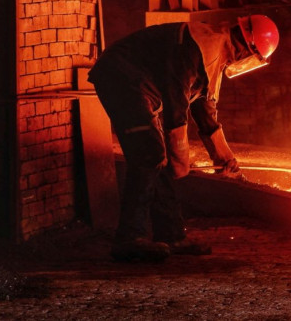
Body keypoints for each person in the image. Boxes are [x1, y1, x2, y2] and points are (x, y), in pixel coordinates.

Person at [88, 15, 279, 262]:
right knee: (150, 155)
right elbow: (175, 102)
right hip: (121, 77)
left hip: (140, 86)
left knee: (159, 157)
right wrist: (180, 154)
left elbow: (205, 110)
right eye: (252, 58)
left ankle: (171, 235)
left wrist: (224, 158)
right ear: (246, 48)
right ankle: (128, 238)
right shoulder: (195, 47)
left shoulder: (214, 50)